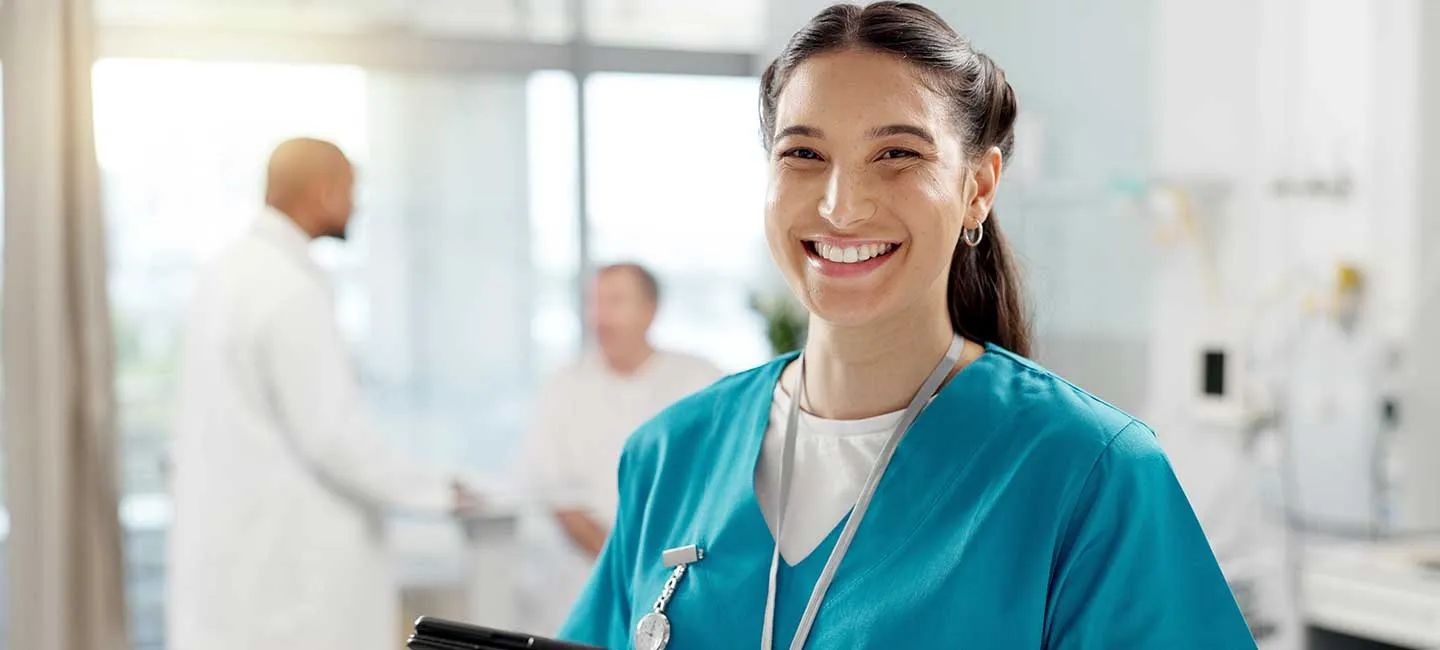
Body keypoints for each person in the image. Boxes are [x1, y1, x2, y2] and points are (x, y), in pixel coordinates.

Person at [559, 4, 1257, 649]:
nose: (841, 206)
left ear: (977, 187)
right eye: (803, 154)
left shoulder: (1087, 474)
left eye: (896, 154)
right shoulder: (671, 456)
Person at [169, 138, 480, 650]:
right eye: (351, 192)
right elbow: (333, 437)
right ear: (323, 191)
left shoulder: (227, 273)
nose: (355, 206)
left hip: (237, 556)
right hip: (289, 571)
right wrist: (438, 492)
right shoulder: (287, 289)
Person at [520, 263, 724, 633]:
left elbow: (718, 484)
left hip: (678, 581)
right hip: (580, 584)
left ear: (649, 311)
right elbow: (560, 498)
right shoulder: (564, 387)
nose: (600, 316)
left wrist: (658, 568)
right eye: (594, 302)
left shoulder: (699, 381)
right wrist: (628, 567)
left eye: (615, 301)